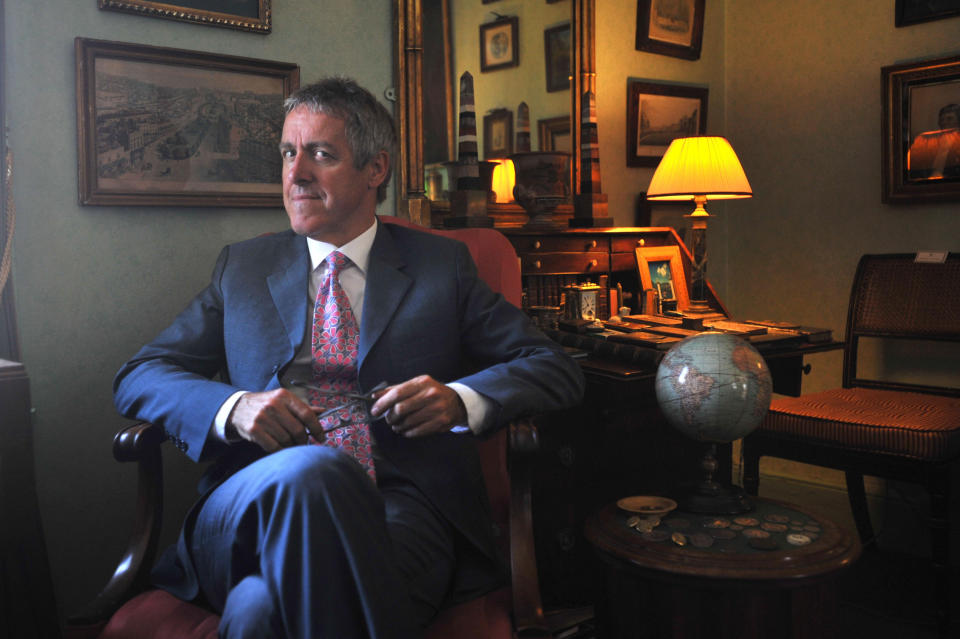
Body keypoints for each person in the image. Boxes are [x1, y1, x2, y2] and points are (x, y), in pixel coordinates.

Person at [113, 76, 585, 639]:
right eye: (289, 152)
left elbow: (554, 367)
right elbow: (139, 374)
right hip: (248, 505)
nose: (295, 173)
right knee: (311, 470)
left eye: (321, 154)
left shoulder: (442, 268)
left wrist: (460, 400)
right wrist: (234, 406)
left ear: (375, 170)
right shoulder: (242, 268)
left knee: (260, 610)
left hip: (399, 510)